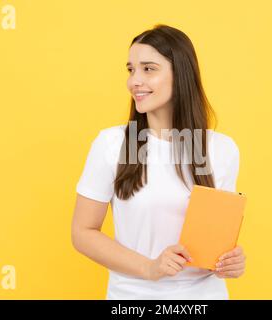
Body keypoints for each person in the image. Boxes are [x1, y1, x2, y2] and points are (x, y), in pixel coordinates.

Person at [71, 24, 246, 300]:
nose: (134, 81)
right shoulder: (112, 144)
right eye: (131, 70)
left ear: (181, 75)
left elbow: (215, 240)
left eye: (148, 69)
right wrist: (150, 267)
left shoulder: (222, 149)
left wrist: (230, 261)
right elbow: (83, 232)